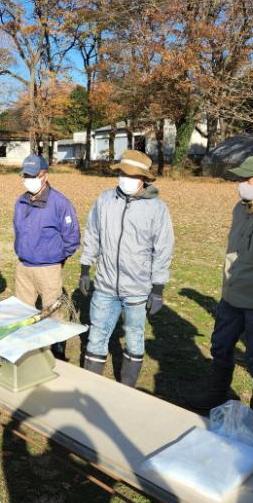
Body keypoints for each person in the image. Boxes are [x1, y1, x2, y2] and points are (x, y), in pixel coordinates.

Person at [184, 154, 253, 416]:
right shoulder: (240, 207)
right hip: (231, 297)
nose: (242, 183)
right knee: (220, 347)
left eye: (249, 178)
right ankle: (216, 394)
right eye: (241, 178)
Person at [79, 150, 174, 387]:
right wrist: (84, 268)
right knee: (96, 336)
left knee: (134, 336)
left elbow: (163, 249)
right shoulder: (105, 200)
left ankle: (127, 388)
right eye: (122, 173)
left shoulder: (157, 208)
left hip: (138, 289)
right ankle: (90, 388)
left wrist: (158, 288)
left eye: (131, 174)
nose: (125, 178)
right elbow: (93, 234)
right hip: (105, 285)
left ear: (144, 178)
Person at [13, 154, 80, 359]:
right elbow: (18, 229)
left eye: (33, 175)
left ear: (45, 176)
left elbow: (72, 237)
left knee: (53, 315)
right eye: (25, 175)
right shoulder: (21, 201)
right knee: (22, 312)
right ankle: (28, 353)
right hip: (23, 267)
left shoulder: (60, 203)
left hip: (49, 268)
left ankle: (57, 356)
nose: (28, 179)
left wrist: (58, 259)